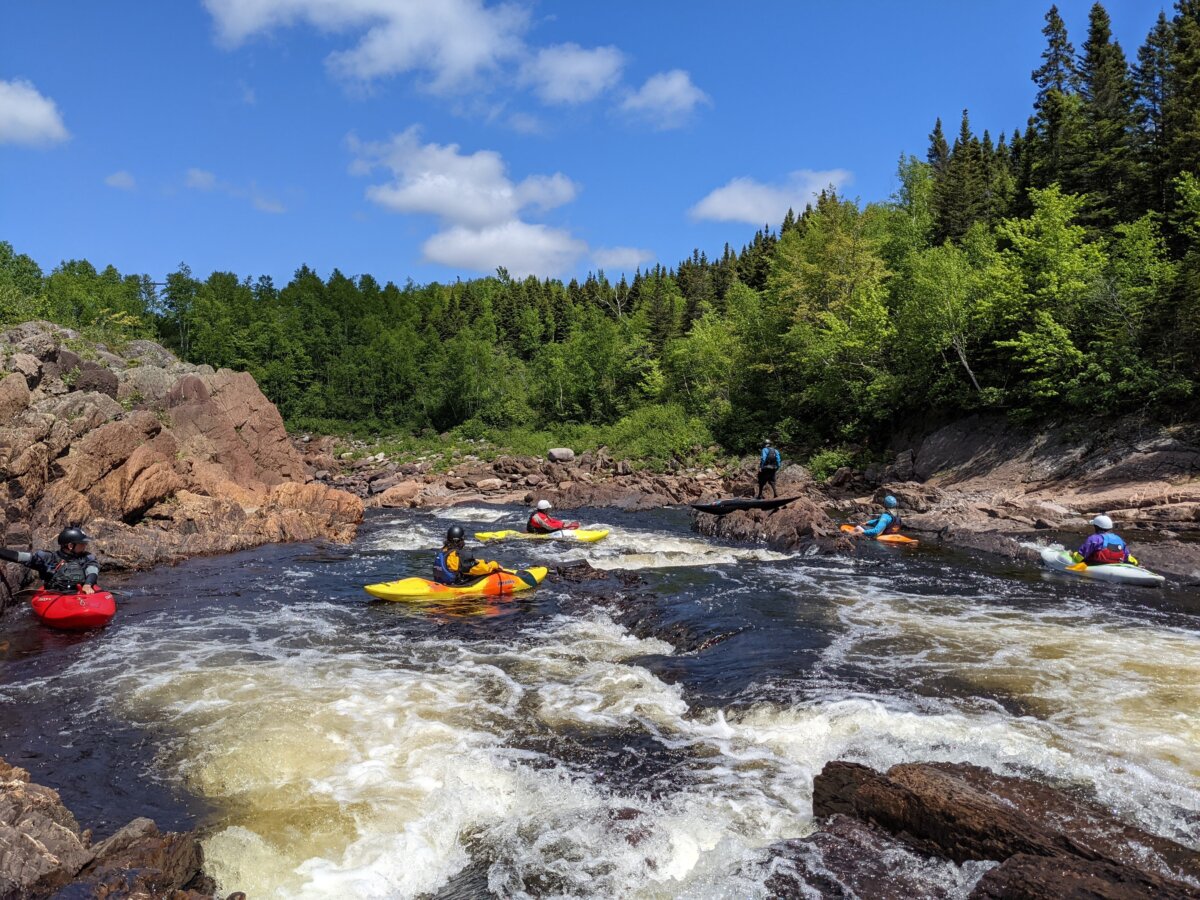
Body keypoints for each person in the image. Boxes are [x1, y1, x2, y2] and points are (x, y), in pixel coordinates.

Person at [0, 526, 100, 593]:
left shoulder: (87, 557)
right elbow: (20, 556)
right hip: (55, 594)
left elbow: (92, 570)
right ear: (70, 546)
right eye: (82, 543)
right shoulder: (48, 558)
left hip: (79, 592)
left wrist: (88, 584)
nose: (85, 545)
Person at [433, 525, 503, 585]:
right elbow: (480, 568)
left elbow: (460, 564)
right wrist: (494, 564)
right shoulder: (460, 555)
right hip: (455, 586)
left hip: (442, 582)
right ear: (460, 540)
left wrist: (476, 561)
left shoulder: (442, 552)